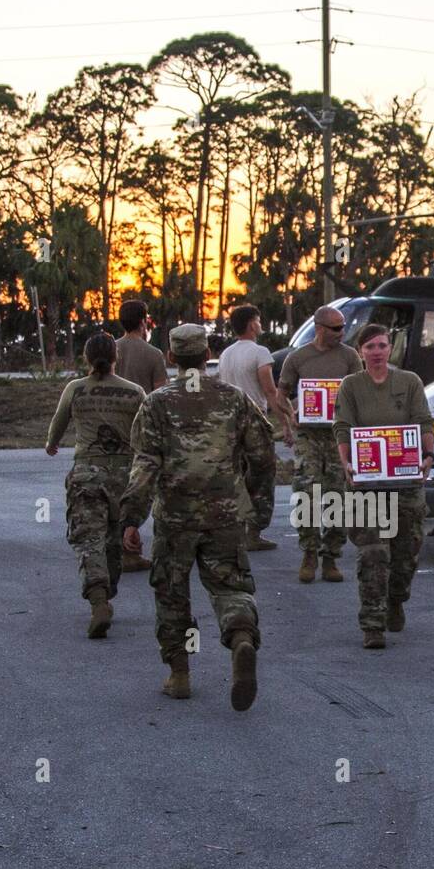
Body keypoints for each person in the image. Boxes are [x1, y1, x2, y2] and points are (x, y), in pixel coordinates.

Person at [119, 323, 274, 711]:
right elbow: (263, 455)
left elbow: (145, 465)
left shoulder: (157, 402)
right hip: (224, 515)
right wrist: (253, 500)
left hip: (175, 517)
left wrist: (131, 517)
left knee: (172, 593)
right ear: (208, 355)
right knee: (230, 586)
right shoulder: (234, 398)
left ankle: (180, 674)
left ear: (171, 357)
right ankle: (240, 637)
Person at [333, 322, 434, 649]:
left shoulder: (409, 382)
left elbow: (423, 422)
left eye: (382, 345)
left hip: (406, 483)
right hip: (367, 484)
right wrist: (347, 462)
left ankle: (395, 600)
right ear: (360, 351)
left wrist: (428, 455)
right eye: (370, 347)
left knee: (406, 555)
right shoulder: (351, 385)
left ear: (390, 348)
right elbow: (343, 428)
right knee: (374, 552)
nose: (377, 352)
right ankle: (372, 624)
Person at [45, 332, 145, 638]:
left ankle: (99, 598)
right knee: (114, 538)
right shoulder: (134, 392)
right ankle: (108, 588)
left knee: (88, 538)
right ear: (116, 358)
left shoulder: (76, 389)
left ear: (86, 358)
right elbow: (144, 434)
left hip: (87, 473)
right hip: (124, 476)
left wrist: (52, 444)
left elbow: (59, 421)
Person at [277, 305, 362, 583]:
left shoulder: (350, 357)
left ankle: (330, 557)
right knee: (307, 491)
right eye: (336, 328)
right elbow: (281, 395)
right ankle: (309, 553)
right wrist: (292, 415)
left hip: (339, 437)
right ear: (320, 328)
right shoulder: (298, 358)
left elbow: (357, 393)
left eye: (344, 327)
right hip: (308, 436)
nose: (342, 332)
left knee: (337, 493)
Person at [217, 303, 293, 552]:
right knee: (262, 476)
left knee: (236, 475)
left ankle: (234, 528)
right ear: (252, 324)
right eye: (259, 321)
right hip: (254, 421)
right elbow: (270, 392)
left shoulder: (226, 354)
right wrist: (286, 424)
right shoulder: (260, 352)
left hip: (230, 422)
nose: (260, 325)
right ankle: (255, 531)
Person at [114, 299, 167, 572]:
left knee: (117, 490)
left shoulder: (110, 349)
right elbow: (161, 396)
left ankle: (118, 546)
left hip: (111, 430)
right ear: (144, 321)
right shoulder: (154, 354)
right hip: (143, 431)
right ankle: (132, 549)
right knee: (140, 492)